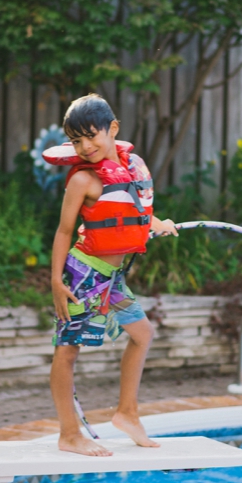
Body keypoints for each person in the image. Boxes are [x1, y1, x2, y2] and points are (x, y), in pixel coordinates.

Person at [44, 94, 178, 456]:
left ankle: (127, 413)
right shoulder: (82, 181)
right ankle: (69, 434)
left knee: (142, 333)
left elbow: (132, 211)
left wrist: (159, 223)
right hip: (83, 275)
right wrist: (56, 281)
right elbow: (63, 232)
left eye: (92, 136)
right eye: (76, 140)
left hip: (111, 279)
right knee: (68, 352)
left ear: (112, 129)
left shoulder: (132, 167)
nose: (85, 146)